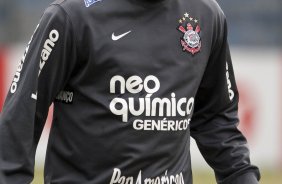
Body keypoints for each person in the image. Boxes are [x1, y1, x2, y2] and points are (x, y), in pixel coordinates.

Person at [0, 0, 260, 183]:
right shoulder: (71, 16)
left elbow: (216, 120)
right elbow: (21, 115)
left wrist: (243, 178)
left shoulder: (207, 15)